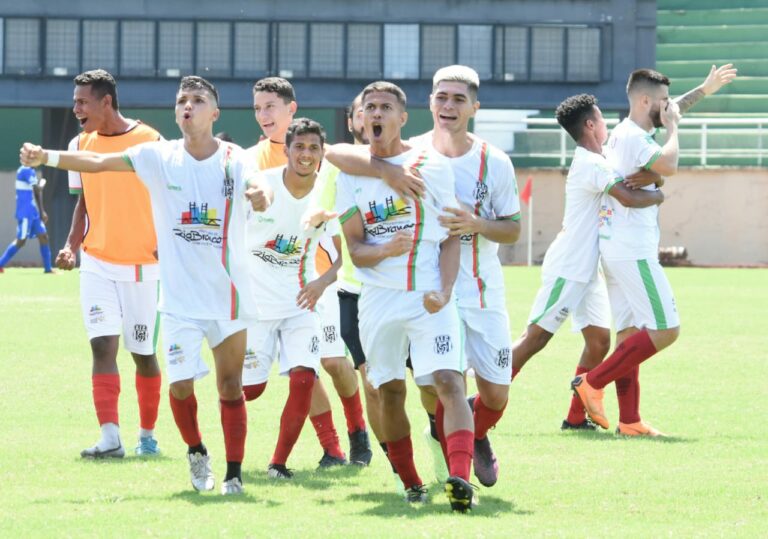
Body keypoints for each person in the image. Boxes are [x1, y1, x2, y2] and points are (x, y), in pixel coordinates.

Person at [21, 75, 269, 496]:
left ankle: (233, 474)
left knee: (230, 387)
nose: (187, 106)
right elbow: (98, 165)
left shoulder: (235, 157)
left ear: (215, 113)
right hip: (177, 302)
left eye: (197, 100)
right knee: (181, 385)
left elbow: (257, 185)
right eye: (181, 100)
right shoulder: (158, 155)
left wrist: (261, 194)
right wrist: (48, 156)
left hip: (229, 297)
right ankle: (196, 452)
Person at [572, 64, 736, 435]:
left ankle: (629, 421)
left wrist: (704, 90)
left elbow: (668, 116)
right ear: (644, 100)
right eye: (661, 101)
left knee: (630, 335)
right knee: (667, 329)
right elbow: (671, 163)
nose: (667, 108)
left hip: (616, 247)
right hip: (632, 250)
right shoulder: (635, 138)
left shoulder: (626, 131)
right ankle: (591, 382)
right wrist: (675, 130)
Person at [335, 81, 475, 512]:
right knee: (390, 391)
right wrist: (383, 250)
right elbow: (355, 250)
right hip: (378, 300)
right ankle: (412, 482)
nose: (376, 114)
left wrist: (446, 290)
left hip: (428, 295)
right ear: (361, 119)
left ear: (402, 118)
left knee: (449, 381)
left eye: (385, 107)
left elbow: (452, 236)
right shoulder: (350, 175)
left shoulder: (431, 166)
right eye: (369, 107)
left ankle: (459, 479)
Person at [514, 93, 665, 432]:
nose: (608, 125)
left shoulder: (603, 155)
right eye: (602, 118)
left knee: (599, 342)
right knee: (533, 340)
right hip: (569, 265)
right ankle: (477, 404)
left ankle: (575, 418)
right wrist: (658, 192)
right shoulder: (591, 163)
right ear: (590, 124)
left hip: (588, 269)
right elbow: (627, 196)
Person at [244, 77, 371, 466]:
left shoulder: (330, 159)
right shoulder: (250, 161)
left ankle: (358, 434)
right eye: (258, 108)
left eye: (271, 107)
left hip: (320, 280)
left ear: (290, 109)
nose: (264, 115)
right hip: (271, 285)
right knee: (305, 372)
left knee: (332, 362)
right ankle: (331, 449)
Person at [51, 70, 164, 460]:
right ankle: (110, 437)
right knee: (102, 345)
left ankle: (147, 435)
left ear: (106, 102)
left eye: (83, 101)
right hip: (97, 263)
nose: (76, 108)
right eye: (75, 100)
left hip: (144, 268)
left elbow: (168, 199)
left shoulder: (151, 141)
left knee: (143, 353)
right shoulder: (79, 143)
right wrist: (71, 245)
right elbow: (84, 203)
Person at [241, 117, 341, 478]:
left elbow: (346, 255)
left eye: (314, 148)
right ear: (286, 150)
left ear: (322, 153)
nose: (306, 154)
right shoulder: (261, 186)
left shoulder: (328, 194)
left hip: (300, 302)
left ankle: (278, 463)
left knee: (303, 378)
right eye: (299, 146)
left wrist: (322, 282)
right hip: (255, 305)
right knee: (249, 391)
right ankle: (230, 451)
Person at [0, 166, 52, 273]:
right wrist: (42, 184)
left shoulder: (31, 171)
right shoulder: (24, 170)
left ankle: (48, 269)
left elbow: (36, 192)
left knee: (43, 236)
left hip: (33, 212)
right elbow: (37, 189)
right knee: (21, 241)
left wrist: (41, 212)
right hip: (25, 212)